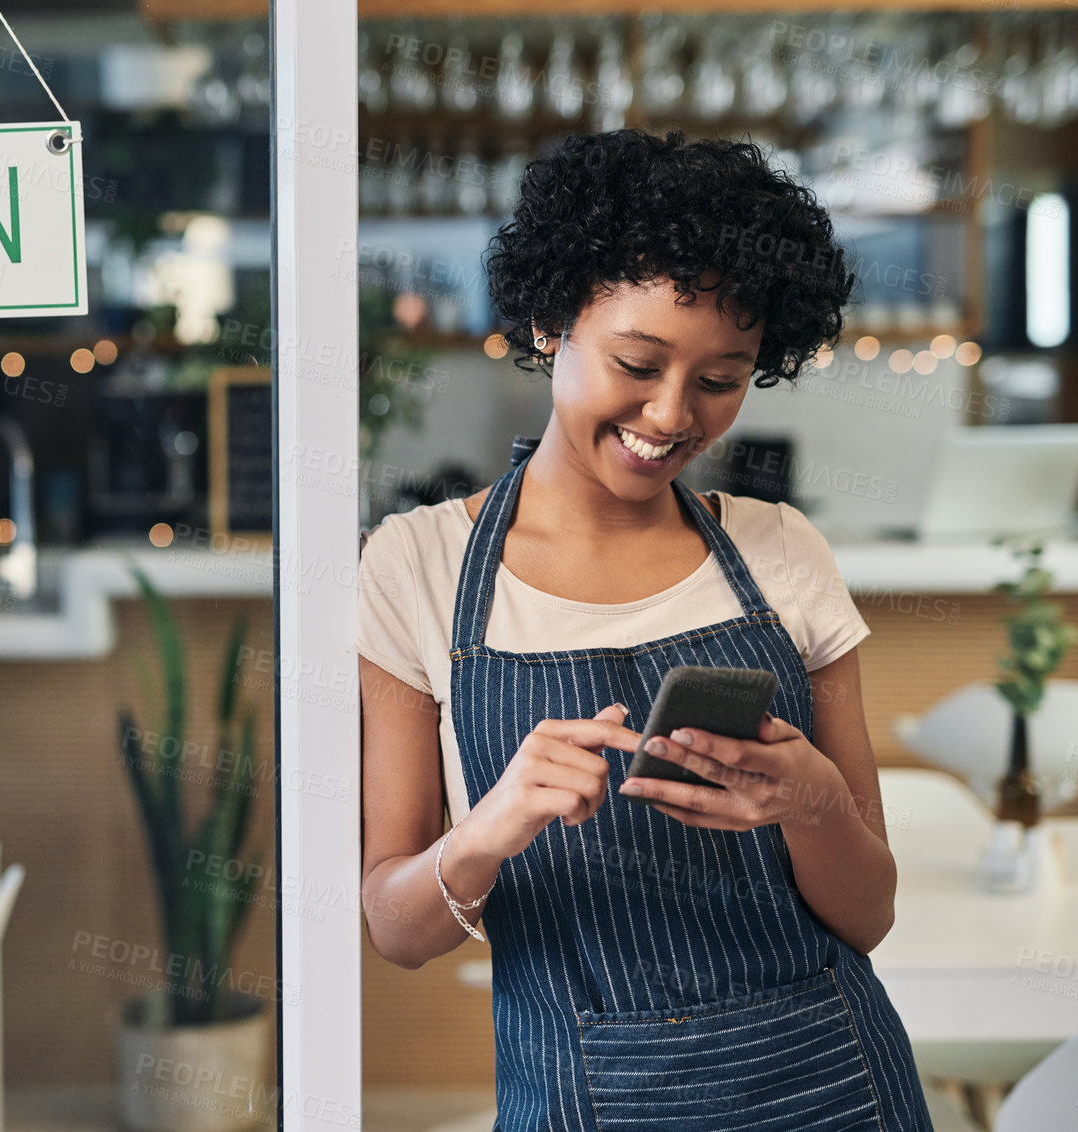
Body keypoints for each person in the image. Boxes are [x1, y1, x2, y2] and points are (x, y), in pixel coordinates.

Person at [357, 129, 934, 1132]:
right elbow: (395, 929)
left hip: (833, 1085)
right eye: (636, 361)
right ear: (548, 322)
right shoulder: (416, 566)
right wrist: (490, 830)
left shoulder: (783, 552)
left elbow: (868, 913)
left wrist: (811, 802)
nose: (672, 415)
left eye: (721, 378)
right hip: (583, 1095)